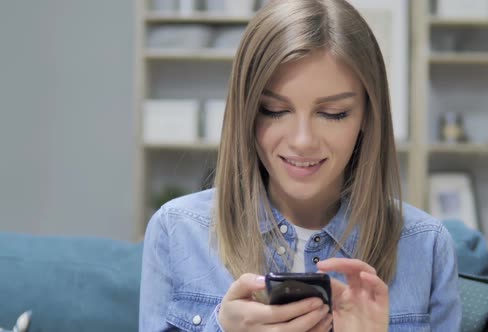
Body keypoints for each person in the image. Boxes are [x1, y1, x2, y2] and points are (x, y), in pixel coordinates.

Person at [139, 0, 462, 331]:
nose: (303, 140)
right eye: (275, 110)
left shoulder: (427, 247)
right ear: (245, 113)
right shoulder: (176, 230)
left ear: (367, 114)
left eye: (333, 113)